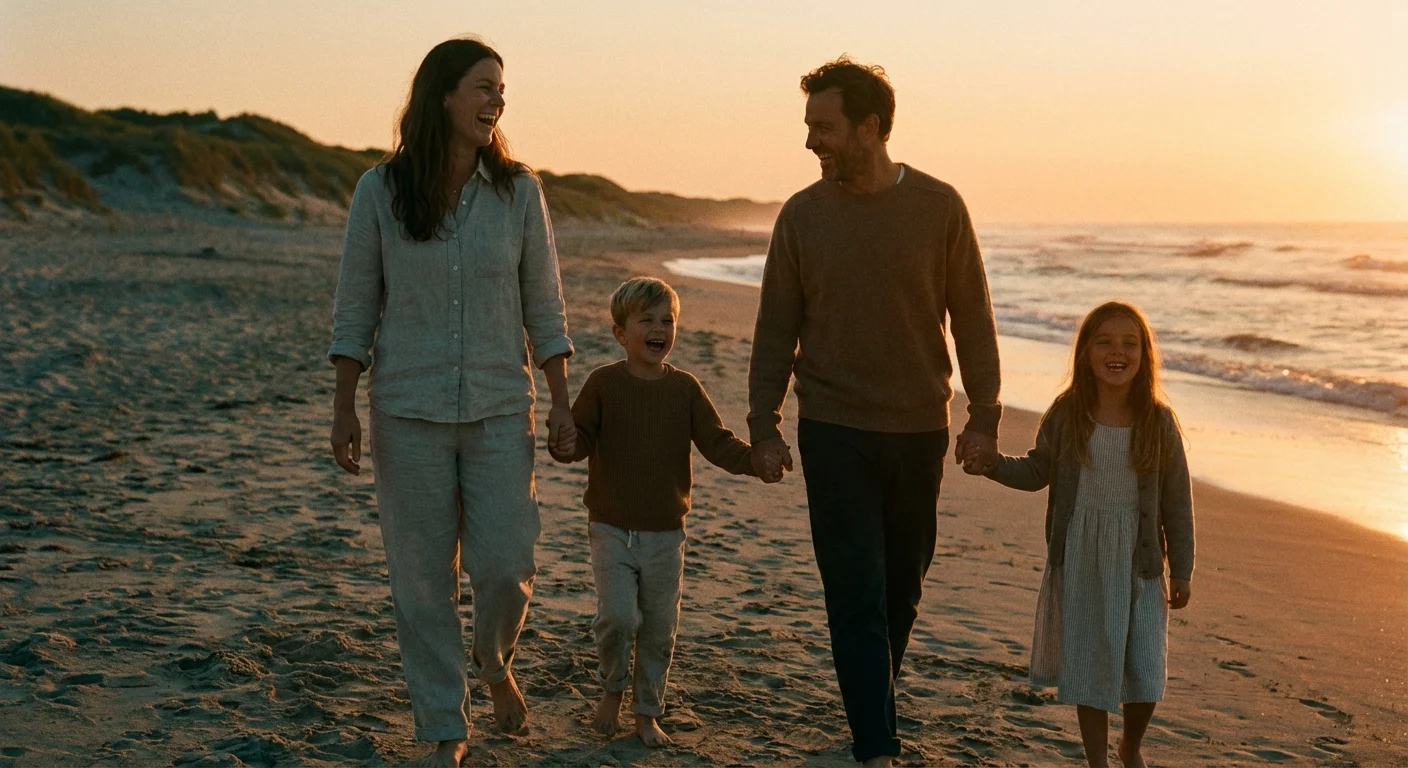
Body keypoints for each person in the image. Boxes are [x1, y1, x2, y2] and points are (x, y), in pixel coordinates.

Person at [747, 57, 1003, 766]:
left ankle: (871, 704)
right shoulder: (802, 216)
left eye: (823, 127)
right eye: (808, 127)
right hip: (833, 429)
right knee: (855, 590)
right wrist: (764, 424)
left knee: (900, 589)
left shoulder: (939, 207)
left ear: (870, 128)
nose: (811, 141)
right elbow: (775, 329)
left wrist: (985, 415)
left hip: (919, 428)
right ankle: (876, 743)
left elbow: (973, 318)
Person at [326, 38, 575, 767]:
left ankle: (493, 662)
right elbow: (355, 307)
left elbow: (546, 307)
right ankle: (444, 725)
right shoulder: (379, 190)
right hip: (407, 411)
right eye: (483, 86)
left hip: (500, 406)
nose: (498, 99)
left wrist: (562, 401)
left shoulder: (519, 192)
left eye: (501, 88)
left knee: (506, 563)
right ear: (443, 95)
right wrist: (343, 406)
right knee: (421, 582)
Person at [960, 301, 1194, 768]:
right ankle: (1097, 762)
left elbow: (1177, 503)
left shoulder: (1158, 421)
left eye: (1129, 343)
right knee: (1091, 667)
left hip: (1140, 560)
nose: (1117, 351)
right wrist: (992, 465)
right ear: (1085, 352)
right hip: (1083, 557)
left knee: (1146, 669)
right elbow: (1037, 470)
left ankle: (1130, 745)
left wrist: (1183, 569)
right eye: (1104, 342)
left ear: (1145, 355)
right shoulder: (1068, 414)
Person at [550, 277, 772, 747]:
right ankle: (612, 690)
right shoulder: (603, 383)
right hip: (610, 527)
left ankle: (647, 711)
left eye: (667, 321)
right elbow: (579, 440)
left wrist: (755, 461)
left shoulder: (685, 389)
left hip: (666, 534)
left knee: (658, 629)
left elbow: (716, 442)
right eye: (646, 320)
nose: (659, 329)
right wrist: (564, 444)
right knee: (616, 619)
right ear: (620, 333)